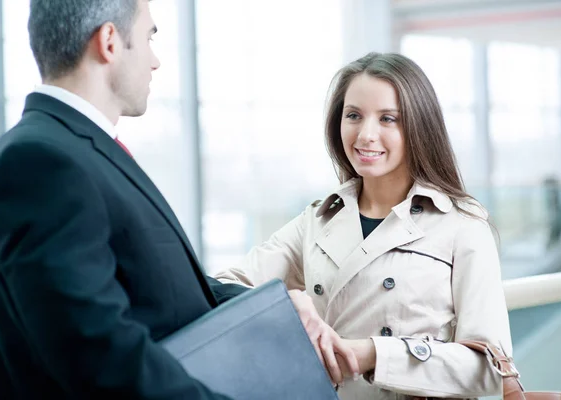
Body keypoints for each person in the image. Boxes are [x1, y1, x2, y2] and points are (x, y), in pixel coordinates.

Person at [0, 1, 357, 398]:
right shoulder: (40, 162)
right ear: (108, 42)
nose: (155, 62)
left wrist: (278, 308)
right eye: (148, 37)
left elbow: (161, 292)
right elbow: (98, 355)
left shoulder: (76, 151)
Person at [215, 52, 513, 400]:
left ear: (419, 126)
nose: (366, 135)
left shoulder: (462, 224)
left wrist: (374, 354)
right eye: (353, 115)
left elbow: (491, 369)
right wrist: (287, 303)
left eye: (388, 119)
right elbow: (224, 285)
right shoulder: (319, 219)